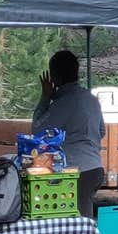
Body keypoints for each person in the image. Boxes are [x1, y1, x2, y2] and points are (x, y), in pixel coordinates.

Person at [33, 49, 107, 216]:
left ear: (54, 78)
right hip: (95, 168)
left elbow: (38, 130)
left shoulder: (64, 103)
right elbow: (102, 131)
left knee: (78, 221)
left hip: (76, 171)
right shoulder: (91, 99)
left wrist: (45, 97)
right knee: (81, 218)